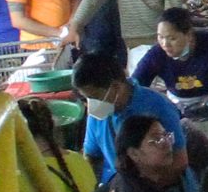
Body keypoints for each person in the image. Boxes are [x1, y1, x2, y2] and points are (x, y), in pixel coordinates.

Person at [73, 48, 185, 182]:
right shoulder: (99, 113)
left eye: (94, 97)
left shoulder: (156, 106)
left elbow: (180, 162)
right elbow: (92, 156)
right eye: (86, 99)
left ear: (116, 87)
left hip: (163, 189)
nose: (90, 104)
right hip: (122, 187)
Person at [135, 7, 208, 106]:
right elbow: (135, 86)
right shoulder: (157, 54)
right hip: (177, 105)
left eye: (172, 38)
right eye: (160, 37)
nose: (165, 44)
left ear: (189, 35)